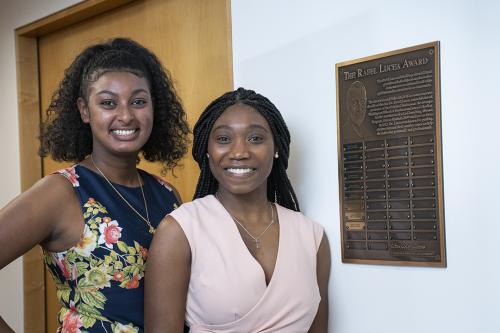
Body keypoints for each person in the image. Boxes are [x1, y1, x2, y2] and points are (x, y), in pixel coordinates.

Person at [0, 38, 190, 332]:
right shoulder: (62, 192)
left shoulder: (167, 194)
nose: (126, 115)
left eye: (138, 101)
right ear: (84, 111)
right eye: (108, 103)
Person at [145, 87, 331, 332]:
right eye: (223, 139)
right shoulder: (180, 231)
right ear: (207, 150)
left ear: (276, 148)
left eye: (255, 138)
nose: (240, 152)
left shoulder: (312, 237)